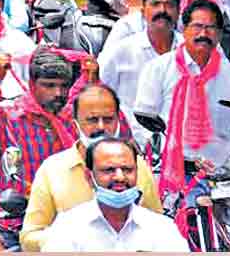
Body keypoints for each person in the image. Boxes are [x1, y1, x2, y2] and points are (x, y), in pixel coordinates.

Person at [132, 0, 230, 191]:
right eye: (197, 27)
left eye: (211, 28)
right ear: (184, 30)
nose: (203, 34)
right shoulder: (157, 70)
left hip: (222, 179)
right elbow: (142, 127)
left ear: (219, 35)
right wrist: (182, 159)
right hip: (168, 176)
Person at [0, 47, 79, 246]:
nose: (58, 93)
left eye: (63, 86)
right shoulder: (8, 118)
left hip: (62, 223)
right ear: (32, 85)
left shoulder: (72, 120)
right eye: (48, 85)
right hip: (13, 222)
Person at [21, 84, 162, 252]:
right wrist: (70, 239)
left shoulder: (137, 166)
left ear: (118, 121)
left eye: (108, 119)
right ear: (75, 125)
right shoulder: (53, 169)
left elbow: (157, 226)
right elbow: (29, 237)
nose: (101, 127)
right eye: (92, 120)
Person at [40, 138, 189, 252]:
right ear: (89, 177)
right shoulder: (67, 227)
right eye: (109, 170)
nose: (120, 177)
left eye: (127, 169)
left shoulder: (162, 229)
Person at [98, 0, 182, 143]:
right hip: (130, 145)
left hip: (180, 148)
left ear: (178, 12)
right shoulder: (122, 51)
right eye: (155, 4)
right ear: (143, 11)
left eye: (169, 5)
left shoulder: (190, 52)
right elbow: (100, 93)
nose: (162, 10)